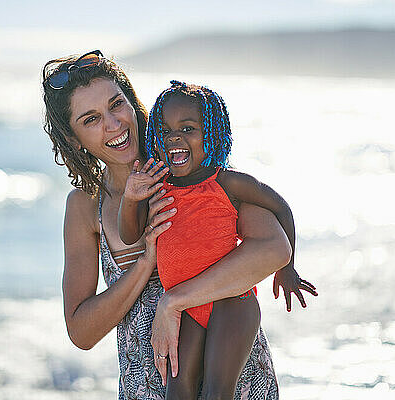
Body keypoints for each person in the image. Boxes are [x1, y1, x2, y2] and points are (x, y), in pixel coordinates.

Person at [41, 50, 307, 399]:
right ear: (74, 140)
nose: (114, 124)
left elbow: (273, 248)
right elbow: (82, 331)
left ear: (133, 103)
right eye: (91, 119)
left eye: (116, 104)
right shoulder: (85, 205)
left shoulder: (191, 171)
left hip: (233, 384)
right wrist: (145, 264)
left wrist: (174, 301)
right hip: (147, 390)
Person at [118, 80, 317, 398]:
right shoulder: (158, 186)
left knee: (217, 388)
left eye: (188, 128)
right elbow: (130, 234)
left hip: (232, 301)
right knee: (178, 388)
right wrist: (131, 198)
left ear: (211, 132)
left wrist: (288, 267)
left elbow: (282, 208)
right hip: (187, 306)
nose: (175, 138)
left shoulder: (227, 182)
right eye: (166, 131)